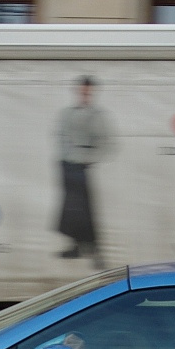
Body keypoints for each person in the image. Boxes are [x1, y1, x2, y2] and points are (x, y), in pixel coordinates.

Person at [56, 75, 114, 268]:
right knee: (70, 210)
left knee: (87, 211)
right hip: (67, 165)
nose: (84, 94)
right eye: (81, 90)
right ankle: (75, 246)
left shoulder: (97, 115)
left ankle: (96, 252)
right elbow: (61, 136)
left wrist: (89, 159)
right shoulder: (68, 113)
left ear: (92, 93)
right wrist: (64, 158)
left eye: (87, 91)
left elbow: (106, 142)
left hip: (83, 167)